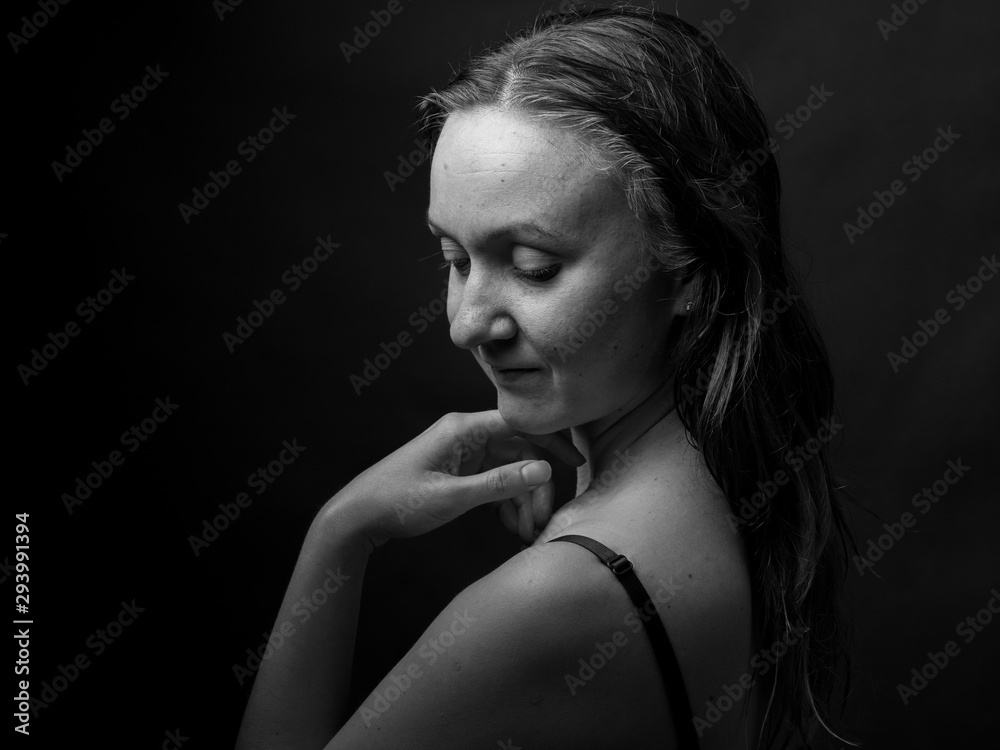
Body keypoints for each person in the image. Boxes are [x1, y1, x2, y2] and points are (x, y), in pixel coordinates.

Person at [236, 5, 854, 749]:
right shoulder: (728, 500)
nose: (468, 323)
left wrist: (339, 534)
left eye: (534, 267)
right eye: (453, 261)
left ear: (690, 268)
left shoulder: (556, 600)